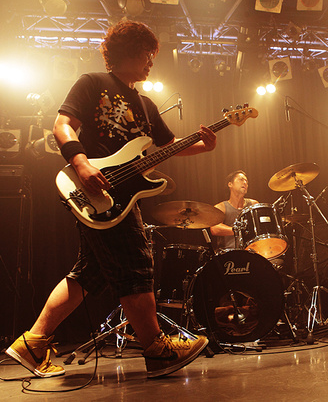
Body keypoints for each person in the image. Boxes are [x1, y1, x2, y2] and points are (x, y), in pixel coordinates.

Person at [6, 20, 216, 379]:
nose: (151, 62)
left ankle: (33, 343)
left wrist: (203, 146)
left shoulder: (146, 105)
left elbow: (169, 147)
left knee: (89, 274)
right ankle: (157, 349)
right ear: (127, 52)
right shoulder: (92, 82)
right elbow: (62, 125)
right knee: (136, 264)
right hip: (95, 189)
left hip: (124, 197)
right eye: (146, 54)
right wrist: (81, 163)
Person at [210, 170, 258, 250]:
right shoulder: (221, 207)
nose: (245, 183)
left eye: (246, 181)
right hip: (228, 252)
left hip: (251, 251)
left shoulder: (253, 204)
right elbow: (215, 229)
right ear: (230, 184)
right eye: (241, 179)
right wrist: (239, 230)